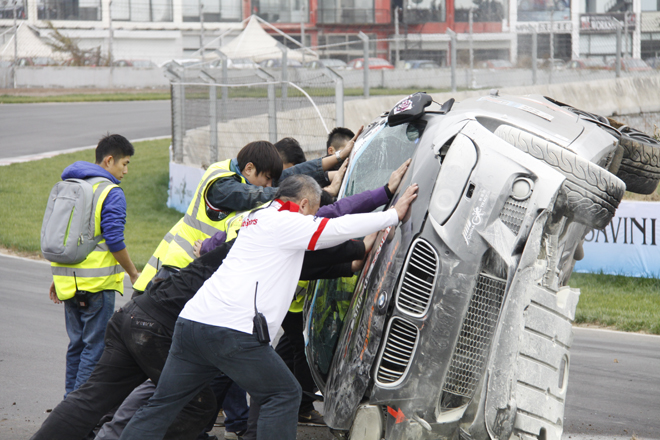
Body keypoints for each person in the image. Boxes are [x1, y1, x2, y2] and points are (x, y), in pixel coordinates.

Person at [31, 180, 388, 440]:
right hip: (168, 327)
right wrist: (385, 208)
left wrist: (357, 248)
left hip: (141, 314)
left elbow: (326, 253)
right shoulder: (276, 239)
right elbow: (330, 228)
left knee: (106, 400)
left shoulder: (252, 233)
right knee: (206, 403)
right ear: (302, 205)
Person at [118, 175, 419, 440]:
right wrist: (391, 215)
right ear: (303, 205)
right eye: (312, 212)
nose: (313, 219)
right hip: (231, 330)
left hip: (193, 323)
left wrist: (368, 233)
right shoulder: (286, 222)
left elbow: (330, 236)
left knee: (163, 403)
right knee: (284, 392)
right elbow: (334, 226)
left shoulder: (259, 216)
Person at [133, 133, 359, 294]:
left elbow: (290, 176)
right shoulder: (223, 186)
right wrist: (322, 193)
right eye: (268, 179)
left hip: (194, 272)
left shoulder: (238, 172)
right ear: (250, 168)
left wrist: (337, 160)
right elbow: (262, 194)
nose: (271, 184)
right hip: (176, 273)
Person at [48, 134, 139, 398]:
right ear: (109, 160)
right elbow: (113, 239)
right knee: (94, 348)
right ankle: (78, 417)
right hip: (97, 286)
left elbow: (60, 236)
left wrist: (60, 276)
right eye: (125, 163)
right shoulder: (111, 192)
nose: (126, 170)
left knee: (76, 346)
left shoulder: (68, 186)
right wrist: (133, 272)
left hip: (68, 282)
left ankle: (67, 410)